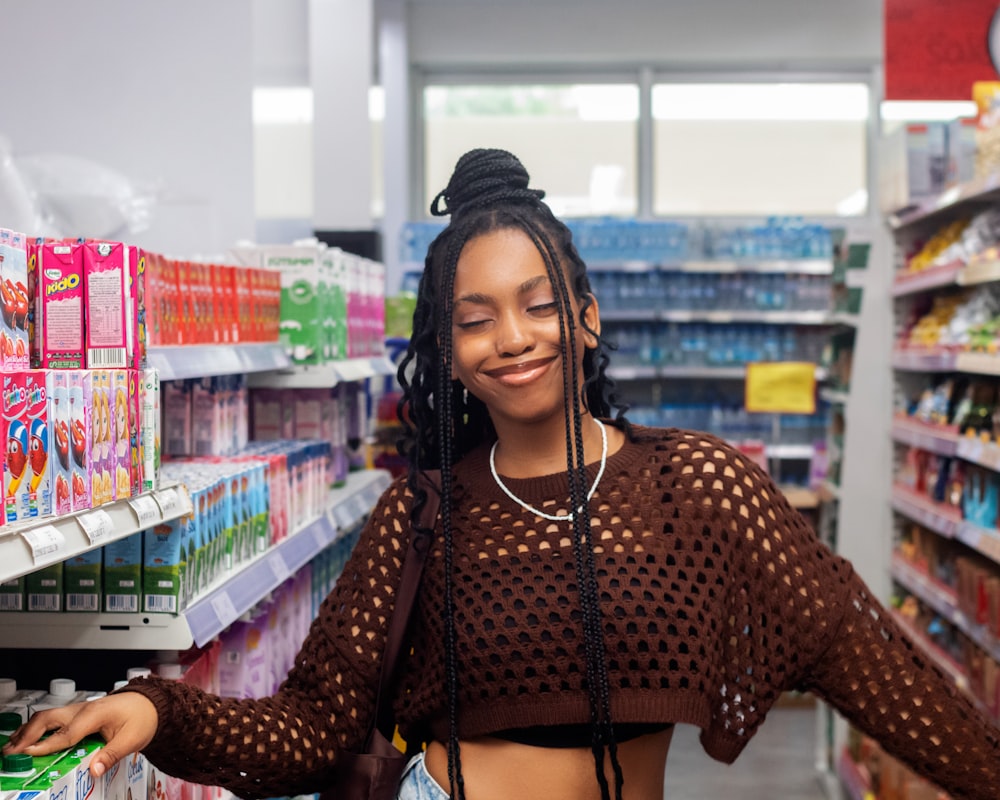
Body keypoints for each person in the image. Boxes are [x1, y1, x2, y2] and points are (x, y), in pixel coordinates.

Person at [5, 148, 1000, 800]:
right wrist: (156, 708)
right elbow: (315, 720)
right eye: (474, 318)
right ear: (445, 351)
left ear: (586, 315)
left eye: (535, 303)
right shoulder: (423, 515)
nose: (511, 338)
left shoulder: (696, 486)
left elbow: (871, 663)